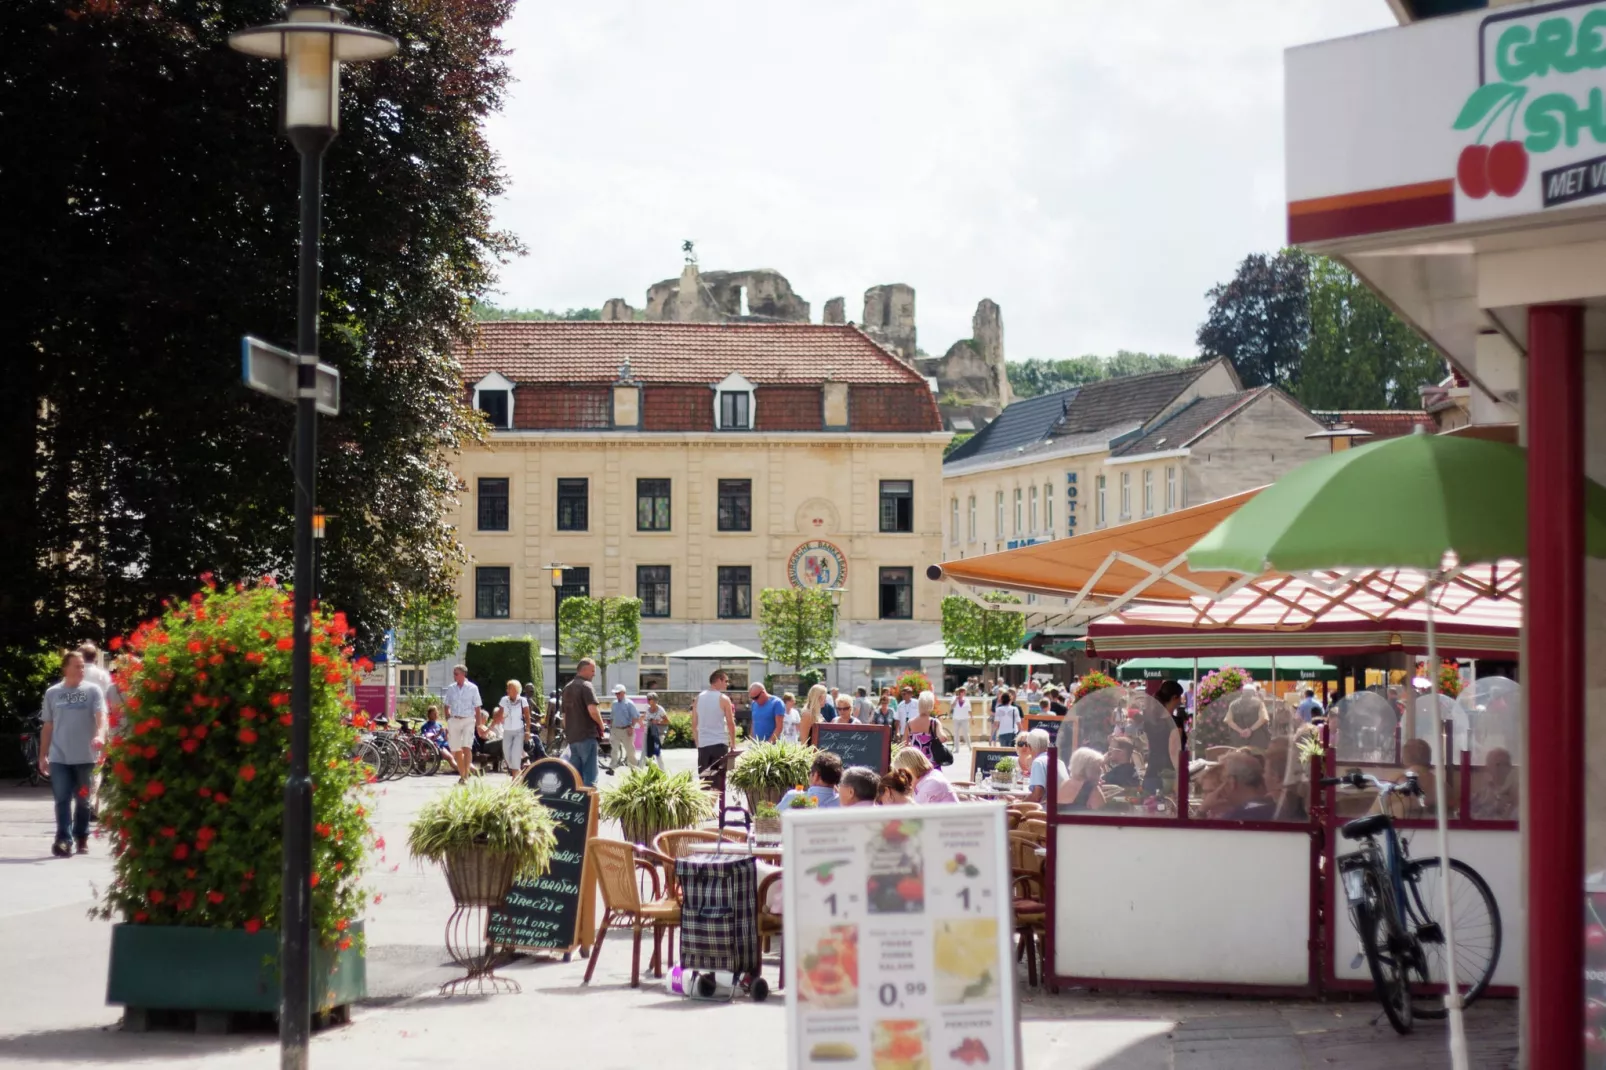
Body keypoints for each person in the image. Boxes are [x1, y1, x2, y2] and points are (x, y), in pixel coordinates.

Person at [38, 651, 107, 857]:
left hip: (85, 758)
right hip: (59, 757)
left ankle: (82, 836)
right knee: (61, 799)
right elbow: (48, 726)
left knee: (84, 800)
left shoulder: (93, 690)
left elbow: (101, 717)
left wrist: (100, 736)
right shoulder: (53, 693)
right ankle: (63, 840)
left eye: (82, 666)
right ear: (65, 668)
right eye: (76, 666)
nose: (81, 670)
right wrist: (43, 755)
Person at [561, 658, 606, 787]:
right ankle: (591, 805)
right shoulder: (586, 686)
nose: (594, 674)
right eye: (592, 670)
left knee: (576, 776)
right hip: (586, 736)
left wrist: (568, 732)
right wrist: (602, 726)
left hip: (573, 738)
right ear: (584, 670)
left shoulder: (566, 688)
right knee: (590, 775)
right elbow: (593, 710)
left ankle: (578, 805)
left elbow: (564, 716)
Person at [443, 664, 485, 785]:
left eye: (456, 673)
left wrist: (479, 725)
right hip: (454, 720)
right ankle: (462, 775)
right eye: (454, 673)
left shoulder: (473, 688)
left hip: (468, 720)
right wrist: (448, 718)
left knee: (467, 747)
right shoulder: (451, 688)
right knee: (456, 749)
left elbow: (477, 707)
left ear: (463, 674)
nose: (454, 676)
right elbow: (446, 704)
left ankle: (465, 776)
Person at [1141, 680, 1184, 796]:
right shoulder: (1174, 723)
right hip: (1168, 775)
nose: (1181, 701)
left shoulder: (1149, 720)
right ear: (1174, 697)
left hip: (1151, 772)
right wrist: (1180, 777)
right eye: (1180, 697)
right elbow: (1174, 751)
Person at [694, 669, 738, 781]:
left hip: (704, 745)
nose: (727, 684)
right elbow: (730, 723)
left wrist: (698, 742)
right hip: (719, 743)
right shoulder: (723, 698)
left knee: (705, 781)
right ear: (719, 680)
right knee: (718, 782)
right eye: (726, 681)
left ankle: (707, 799)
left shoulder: (698, 698)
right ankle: (714, 799)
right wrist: (733, 743)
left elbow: (694, 723)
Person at [1215, 751, 1277, 820]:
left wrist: (1202, 811)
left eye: (1221, 780)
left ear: (1232, 782)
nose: (1218, 787)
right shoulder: (1279, 809)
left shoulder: (1233, 818)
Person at [1015, 729, 1067, 805]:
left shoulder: (1038, 762)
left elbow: (1037, 796)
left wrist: (1019, 804)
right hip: (1062, 809)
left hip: (1047, 812)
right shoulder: (1059, 762)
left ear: (1030, 747)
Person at [893, 745, 958, 803]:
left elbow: (912, 812)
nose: (900, 778)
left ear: (910, 769)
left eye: (901, 773)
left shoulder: (931, 783)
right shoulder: (930, 776)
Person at [779, 751, 844, 809]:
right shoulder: (845, 804)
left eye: (810, 772)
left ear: (816, 775)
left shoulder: (793, 797)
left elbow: (773, 819)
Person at [1471, 747, 1518, 820]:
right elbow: (1470, 817)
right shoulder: (1481, 793)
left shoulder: (1517, 793)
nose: (1503, 768)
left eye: (1507, 764)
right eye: (1498, 764)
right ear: (1488, 767)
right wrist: (1494, 809)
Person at [1057, 747, 1109, 811]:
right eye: (1099, 766)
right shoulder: (1092, 788)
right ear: (1089, 768)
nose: (1101, 769)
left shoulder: (1065, 783)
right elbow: (1103, 814)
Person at [606, 683, 641, 774]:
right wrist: (611, 727)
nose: (617, 695)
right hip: (615, 729)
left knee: (630, 751)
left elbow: (636, 716)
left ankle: (634, 769)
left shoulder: (629, 703)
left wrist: (632, 727)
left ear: (623, 693)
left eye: (618, 693)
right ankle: (612, 767)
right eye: (616, 693)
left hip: (626, 730)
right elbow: (612, 716)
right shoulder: (614, 703)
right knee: (614, 749)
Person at [497, 680, 530, 777]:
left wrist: (527, 731)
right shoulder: (504, 700)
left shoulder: (522, 701)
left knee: (515, 756)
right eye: (507, 688)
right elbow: (499, 715)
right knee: (507, 755)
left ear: (516, 690)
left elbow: (527, 717)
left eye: (509, 688)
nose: (507, 690)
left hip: (518, 731)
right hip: (507, 730)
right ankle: (518, 774)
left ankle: (515, 781)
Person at [905, 690, 949, 761]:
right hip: (931, 762)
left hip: (915, 762)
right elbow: (943, 738)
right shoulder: (934, 722)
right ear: (931, 705)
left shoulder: (909, 723)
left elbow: (904, 743)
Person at [642, 692, 669, 770]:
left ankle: (662, 771)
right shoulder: (647, 708)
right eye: (648, 699)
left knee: (657, 752)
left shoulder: (660, 709)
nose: (648, 700)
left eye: (650, 699)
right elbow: (645, 718)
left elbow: (667, 721)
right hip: (648, 733)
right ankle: (642, 770)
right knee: (645, 752)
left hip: (658, 734)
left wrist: (657, 722)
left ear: (655, 700)